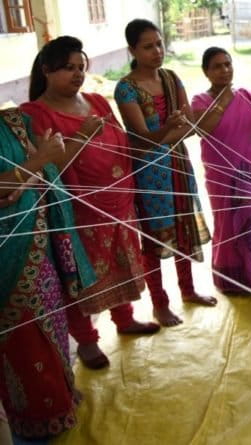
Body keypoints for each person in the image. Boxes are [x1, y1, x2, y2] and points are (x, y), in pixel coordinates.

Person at [21, 36, 160, 370]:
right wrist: (82, 135)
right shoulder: (35, 113)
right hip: (78, 212)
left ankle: (125, 320)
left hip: (119, 201)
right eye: (68, 68)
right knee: (80, 275)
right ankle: (86, 341)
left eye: (81, 67)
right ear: (46, 70)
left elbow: (123, 144)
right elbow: (50, 166)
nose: (77, 74)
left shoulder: (98, 101)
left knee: (120, 264)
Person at [0, 107, 94, 438]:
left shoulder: (12, 122)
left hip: (38, 241)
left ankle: (60, 398)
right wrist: (37, 162)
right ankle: (34, 417)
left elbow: (46, 169)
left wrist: (40, 162)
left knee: (53, 321)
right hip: (7, 259)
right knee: (23, 339)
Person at [115, 19, 215, 326]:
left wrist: (181, 127)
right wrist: (171, 129)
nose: (157, 51)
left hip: (178, 164)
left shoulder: (172, 78)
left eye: (159, 44)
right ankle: (160, 304)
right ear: (132, 50)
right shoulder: (126, 88)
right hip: (149, 170)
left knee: (183, 226)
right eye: (148, 47)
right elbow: (143, 136)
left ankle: (188, 290)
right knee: (155, 236)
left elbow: (186, 124)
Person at [191, 47, 251, 292]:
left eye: (227, 64)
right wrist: (223, 101)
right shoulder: (200, 101)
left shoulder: (246, 95)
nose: (224, 70)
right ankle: (233, 280)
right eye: (217, 66)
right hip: (222, 174)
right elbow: (201, 129)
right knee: (227, 224)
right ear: (206, 72)